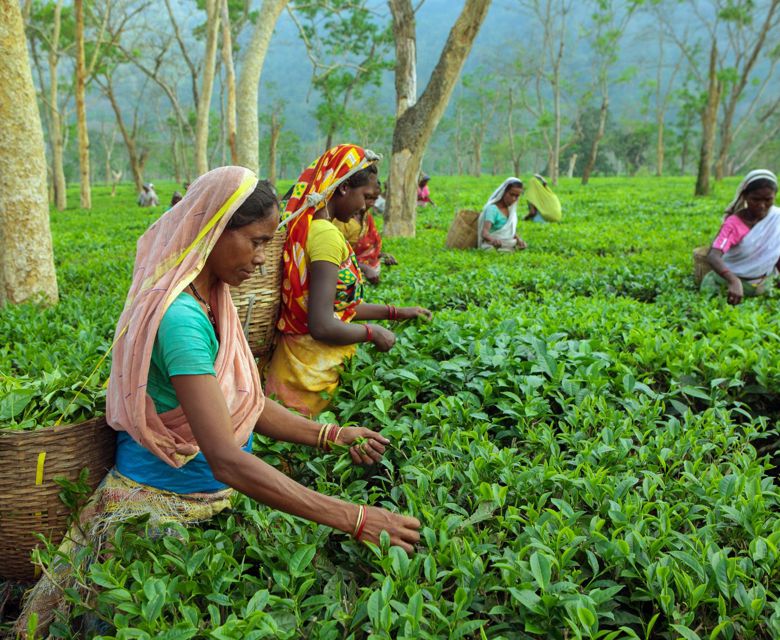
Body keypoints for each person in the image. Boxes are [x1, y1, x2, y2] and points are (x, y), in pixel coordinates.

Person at [16, 167, 420, 637]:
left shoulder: (214, 297)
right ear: (213, 230)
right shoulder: (182, 319)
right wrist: (355, 518)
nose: (263, 258)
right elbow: (225, 457)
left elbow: (240, 402)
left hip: (217, 498)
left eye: (269, 242)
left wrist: (329, 434)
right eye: (255, 241)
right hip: (162, 508)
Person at [265, 144, 431, 417]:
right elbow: (322, 324)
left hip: (305, 367)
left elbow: (337, 308)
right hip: (309, 378)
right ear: (343, 188)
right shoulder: (325, 236)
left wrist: (397, 313)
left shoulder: (315, 229)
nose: (366, 205)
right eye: (365, 196)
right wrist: (372, 332)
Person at [702, 169, 780, 304]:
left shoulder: (776, 217)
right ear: (745, 196)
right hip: (727, 285)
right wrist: (733, 280)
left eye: (768, 200)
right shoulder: (734, 224)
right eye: (755, 199)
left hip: (763, 284)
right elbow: (713, 256)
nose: (761, 205)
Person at [332, 180, 398, 285]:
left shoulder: (367, 217)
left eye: (375, 199)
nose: (372, 203)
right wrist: (365, 268)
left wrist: (382, 255)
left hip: (371, 272)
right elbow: (337, 259)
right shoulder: (341, 222)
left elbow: (366, 248)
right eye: (368, 198)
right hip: (347, 275)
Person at [478, 177, 528, 251]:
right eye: (511, 195)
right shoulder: (492, 209)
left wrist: (519, 240)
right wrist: (493, 240)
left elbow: (511, 231)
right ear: (504, 192)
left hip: (508, 243)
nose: (514, 199)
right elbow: (485, 233)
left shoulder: (511, 211)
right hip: (492, 245)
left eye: (517, 196)